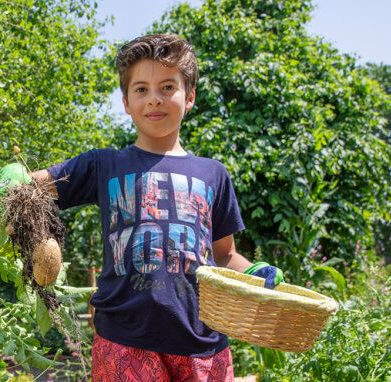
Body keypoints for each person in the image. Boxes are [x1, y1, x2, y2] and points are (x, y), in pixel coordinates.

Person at [26, 34, 283, 381]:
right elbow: (35, 185)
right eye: (142, 90)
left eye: (167, 87)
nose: (154, 100)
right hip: (124, 340)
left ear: (189, 96)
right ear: (126, 102)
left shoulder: (213, 174)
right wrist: (15, 179)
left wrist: (256, 274)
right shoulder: (104, 165)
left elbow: (223, 255)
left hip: (202, 341)